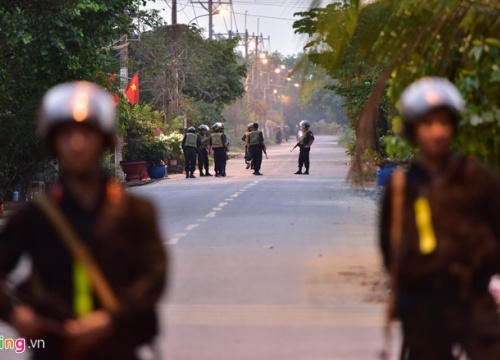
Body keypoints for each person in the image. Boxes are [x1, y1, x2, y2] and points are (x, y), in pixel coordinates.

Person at [0, 81, 168, 359]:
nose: (77, 144)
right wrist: (15, 313)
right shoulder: (35, 215)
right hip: (53, 347)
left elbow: (153, 277)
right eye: (66, 134)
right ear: (53, 142)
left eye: (86, 133)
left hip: (118, 346)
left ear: (103, 140)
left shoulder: (135, 211)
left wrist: (109, 320)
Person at [379, 77, 500, 360]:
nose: (437, 132)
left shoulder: (477, 179)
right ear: (413, 130)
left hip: (475, 298)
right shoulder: (401, 188)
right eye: (427, 124)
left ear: (453, 127)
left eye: (444, 123)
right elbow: (389, 247)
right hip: (424, 305)